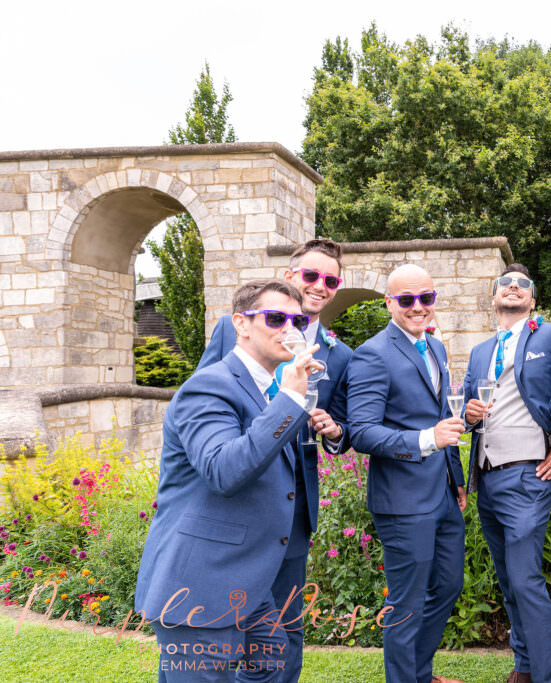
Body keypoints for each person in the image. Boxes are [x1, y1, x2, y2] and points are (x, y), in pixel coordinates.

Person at [135, 279, 324, 680]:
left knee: (273, 661)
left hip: (246, 583)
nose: (289, 329)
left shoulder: (270, 389)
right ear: (241, 323)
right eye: (275, 318)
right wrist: (291, 401)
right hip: (201, 581)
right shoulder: (209, 386)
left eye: (298, 321)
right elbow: (224, 470)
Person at [194, 238, 352, 682]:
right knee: (223, 627)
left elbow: (344, 427)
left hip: (293, 501)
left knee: (285, 625)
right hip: (234, 500)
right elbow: (204, 393)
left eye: (331, 280)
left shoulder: (341, 353)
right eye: (311, 276)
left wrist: (334, 430)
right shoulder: (237, 329)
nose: (320, 286)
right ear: (291, 275)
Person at [462, 263, 551, 683]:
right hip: (486, 475)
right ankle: (524, 668)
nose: (513, 287)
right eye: (505, 283)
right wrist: (467, 412)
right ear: (493, 296)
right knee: (508, 578)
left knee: (524, 577)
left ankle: (548, 676)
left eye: (523, 284)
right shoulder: (481, 351)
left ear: (532, 299)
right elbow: (466, 411)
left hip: (528, 474)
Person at [346, 264, 466, 683]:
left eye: (426, 298)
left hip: (443, 494)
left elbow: (439, 417)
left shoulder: (435, 348)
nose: (418, 307)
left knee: (449, 586)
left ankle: (419, 673)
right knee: (407, 602)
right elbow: (361, 431)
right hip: (402, 499)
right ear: (389, 303)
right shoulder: (372, 354)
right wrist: (425, 439)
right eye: (406, 300)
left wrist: (457, 480)